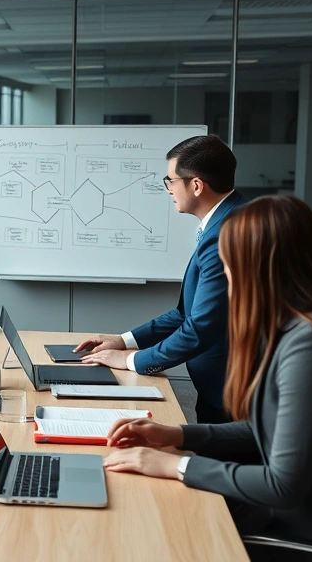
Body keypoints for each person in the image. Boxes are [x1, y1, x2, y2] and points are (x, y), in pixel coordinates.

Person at [102, 196, 312, 553]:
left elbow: (282, 484)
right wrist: (180, 434)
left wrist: (174, 464)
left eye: (228, 266)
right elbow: (268, 427)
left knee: (142, 524)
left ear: (256, 268)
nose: (226, 278)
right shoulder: (309, 323)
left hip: (308, 529)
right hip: (301, 507)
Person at [74, 135, 246, 423]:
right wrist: (124, 341)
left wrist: (130, 360)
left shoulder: (225, 233)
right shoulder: (224, 221)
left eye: (170, 180)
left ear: (196, 185)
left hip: (232, 389)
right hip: (220, 384)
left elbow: (200, 328)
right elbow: (185, 313)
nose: (168, 189)